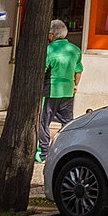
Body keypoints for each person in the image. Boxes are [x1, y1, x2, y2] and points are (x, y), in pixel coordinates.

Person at [39, 18, 82, 162]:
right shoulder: (75, 49)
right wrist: (75, 85)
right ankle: (66, 150)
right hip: (68, 90)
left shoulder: (49, 49)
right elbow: (78, 70)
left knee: (43, 122)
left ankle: (44, 153)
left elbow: (42, 70)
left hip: (50, 90)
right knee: (67, 122)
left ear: (52, 35)